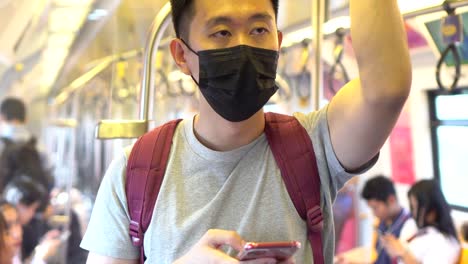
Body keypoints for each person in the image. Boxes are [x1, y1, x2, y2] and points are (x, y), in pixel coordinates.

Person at [81, 0, 412, 263]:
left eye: (258, 30)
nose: (243, 46)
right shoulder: (135, 172)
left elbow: (384, 90)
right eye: (222, 32)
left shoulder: (314, 145)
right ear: (181, 56)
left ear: (278, 44)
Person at [380, 180, 461, 263]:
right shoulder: (413, 226)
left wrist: (402, 253)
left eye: (416, 208)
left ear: (432, 211)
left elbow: (401, 253)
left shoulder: (445, 244)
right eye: (412, 206)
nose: (413, 213)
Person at [360, 176, 418, 264]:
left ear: (391, 200)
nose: (374, 213)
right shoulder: (381, 224)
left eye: (375, 208)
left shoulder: (410, 226)